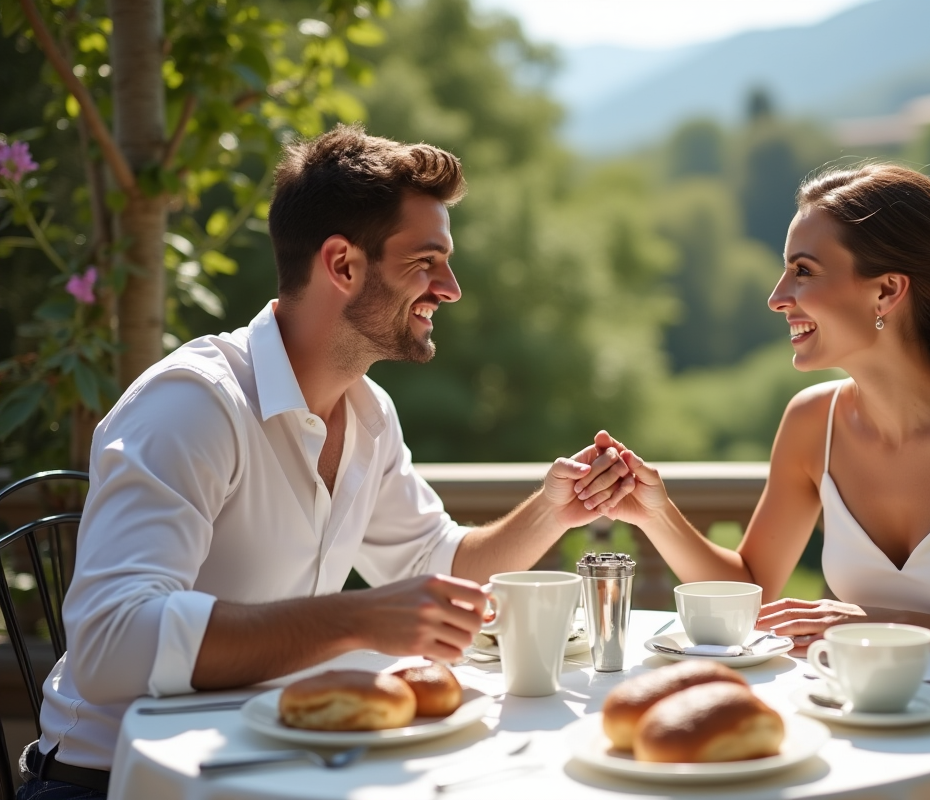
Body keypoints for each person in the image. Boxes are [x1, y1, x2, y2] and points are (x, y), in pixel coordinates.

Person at [18, 124, 632, 799]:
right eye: (426, 261)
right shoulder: (194, 405)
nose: (450, 287)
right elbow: (111, 644)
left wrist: (551, 510)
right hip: (114, 783)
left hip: (272, 770)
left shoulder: (368, 414)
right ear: (342, 264)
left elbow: (438, 568)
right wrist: (357, 619)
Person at [579, 164, 930, 799]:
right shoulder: (810, 423)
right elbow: (749, 589)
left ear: (886, 292)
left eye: (803, 270)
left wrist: (881, 625)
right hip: (895, 751)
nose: (777, 295)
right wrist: (655, 511)